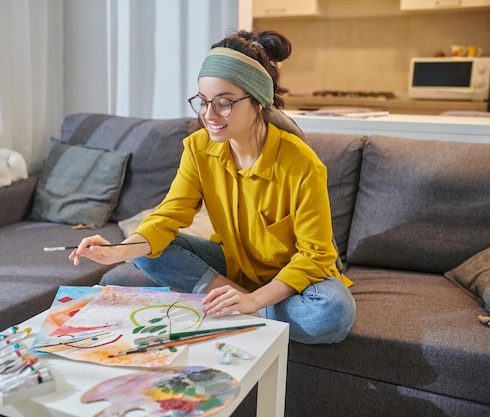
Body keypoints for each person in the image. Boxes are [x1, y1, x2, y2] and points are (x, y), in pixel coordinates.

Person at [69, 29, 356, 344]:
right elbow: (170, 214)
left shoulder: (301, 163)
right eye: (203, 102)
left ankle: (245, 308)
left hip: (295, 278)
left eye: (224, 103)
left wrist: (256, 301)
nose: (209, 116)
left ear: (259, 101)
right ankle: (235, 299)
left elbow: (315, 255)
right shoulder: (198, 148)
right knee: (143, 248)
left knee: (331, 314)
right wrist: (116, 253)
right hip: (235, 265)